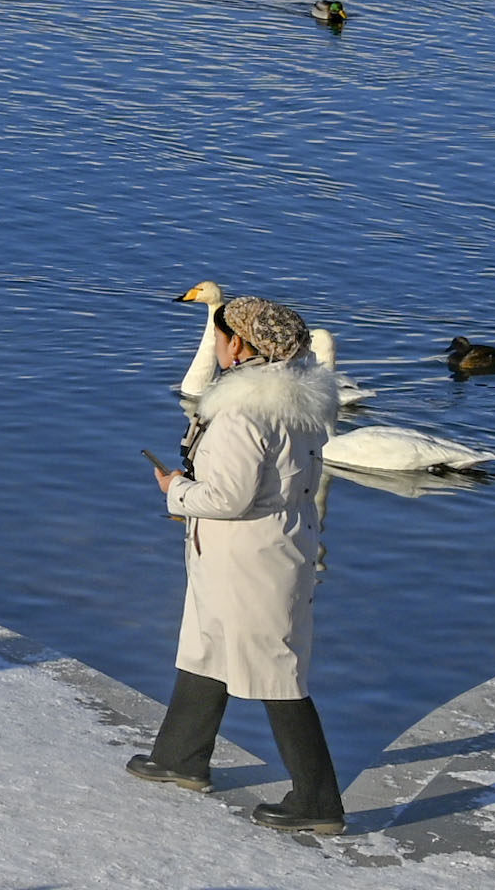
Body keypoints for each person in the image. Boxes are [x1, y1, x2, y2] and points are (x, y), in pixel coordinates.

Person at [137, 292, 344, 831]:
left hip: (247, 556)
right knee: (208, 647)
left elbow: (228, 497)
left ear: (240, 346)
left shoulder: (241, 411)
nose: (218, 342)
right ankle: (179, 757)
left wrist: (176, 489)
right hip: (267, 549)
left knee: (275, 670)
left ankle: (318, 801)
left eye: (223, 333)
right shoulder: (299, 401)